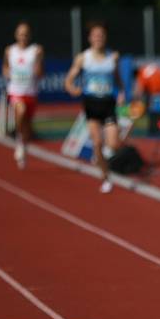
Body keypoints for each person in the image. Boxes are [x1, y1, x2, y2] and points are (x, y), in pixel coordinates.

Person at [64, 22, 126, 193]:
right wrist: (72, 88)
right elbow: (69, 80)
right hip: (91, 103)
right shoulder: (83, 58)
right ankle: (106, 177)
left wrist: (121, 92)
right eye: (95, 35)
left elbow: (118, 77)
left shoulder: (113, 56)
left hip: (108, 103)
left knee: (113, 144)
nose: (98, 38)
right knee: (97, 142)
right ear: (90, 38)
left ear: (105, 38)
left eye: (101, 35)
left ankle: (100, 157)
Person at [3, 22, 44, 169]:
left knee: (27, 125)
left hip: (31, 92)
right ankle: (19, 140)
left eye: (26, 34)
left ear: (29, 36)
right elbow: (5, 68)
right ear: (16, 35)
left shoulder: (36, 50)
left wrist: (38, 61)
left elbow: (40, 73)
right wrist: (8, 74)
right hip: (15, 91)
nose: (23, 37)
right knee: (20, 112)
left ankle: (23, 144)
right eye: (20, 34)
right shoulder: (9, 51)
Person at [134, 62, 160, 136]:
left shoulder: (141, 74)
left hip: (156, 94)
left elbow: (139, 91)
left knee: (155, 114)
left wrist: (135, 101)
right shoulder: (147, 68)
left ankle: (157, 130)